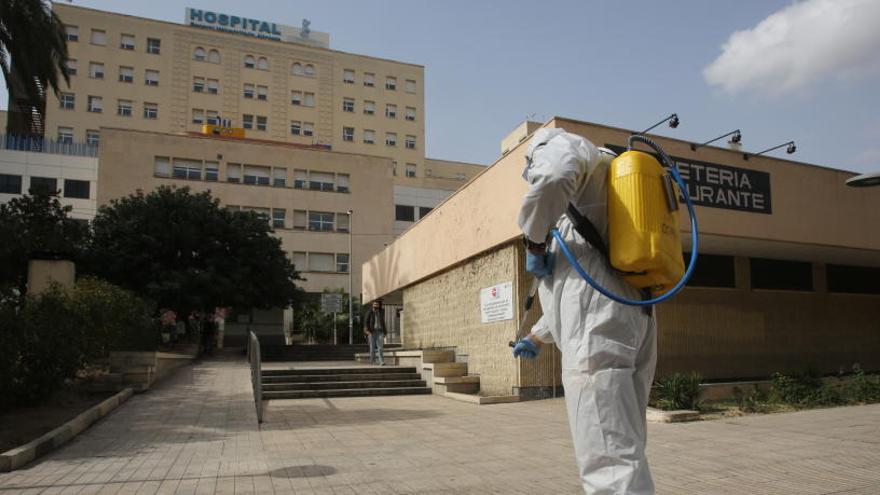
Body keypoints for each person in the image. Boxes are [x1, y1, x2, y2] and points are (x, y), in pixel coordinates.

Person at [512, 128, 657, 494]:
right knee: (624, 446)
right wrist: (536, 335)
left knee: (608, 459)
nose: (530, 179)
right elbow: (583, 287)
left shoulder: (560, 144)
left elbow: (555, 173)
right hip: (631, 314)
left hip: (599, 327)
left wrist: (534, 240)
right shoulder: (603, 189)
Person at [363, 300, 387, 366]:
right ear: (372, 305)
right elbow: (366, 322)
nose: (376, 306)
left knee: (380, 348)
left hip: (380, 332)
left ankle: (381, 361)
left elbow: (383, 323)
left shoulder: (381, 312)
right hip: (371, 332)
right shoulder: (369, 312)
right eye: (374, 304)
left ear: (379, 305)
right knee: (372, 347)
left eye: (377, 304)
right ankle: (373, 361)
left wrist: (385, 332)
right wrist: (367, 331)